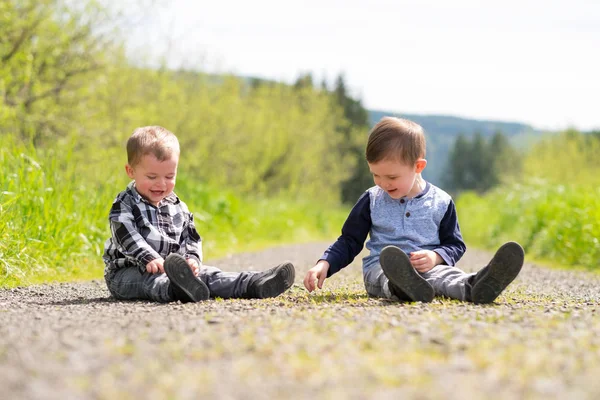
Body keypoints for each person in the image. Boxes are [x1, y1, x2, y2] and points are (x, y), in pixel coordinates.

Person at [303, 117, 524, 304]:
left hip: (427, 269)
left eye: (391, 177)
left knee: (447, 276)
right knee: (385, 277)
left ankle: (476, 286)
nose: (382, 183)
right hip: (380, 268)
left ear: (418, 167)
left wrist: (435, 256)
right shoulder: (372, 199)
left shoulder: (441, 202)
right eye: (375, 175)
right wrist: (325, 263)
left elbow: (455, 245)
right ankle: (401, 287)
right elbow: (349, 241)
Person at [103, 126, 295, 303]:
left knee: (209, 275)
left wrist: (191, 258)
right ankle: (177, 290)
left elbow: (190, 236)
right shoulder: (125, 203)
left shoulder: (177, 206)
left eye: (169, 177)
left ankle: (254, 283)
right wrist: (148, 258)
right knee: (150, 281)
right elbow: (126, 235)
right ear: (131, 171)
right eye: (152, 177)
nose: (161, 184)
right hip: (128, 273)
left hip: (175, 271)